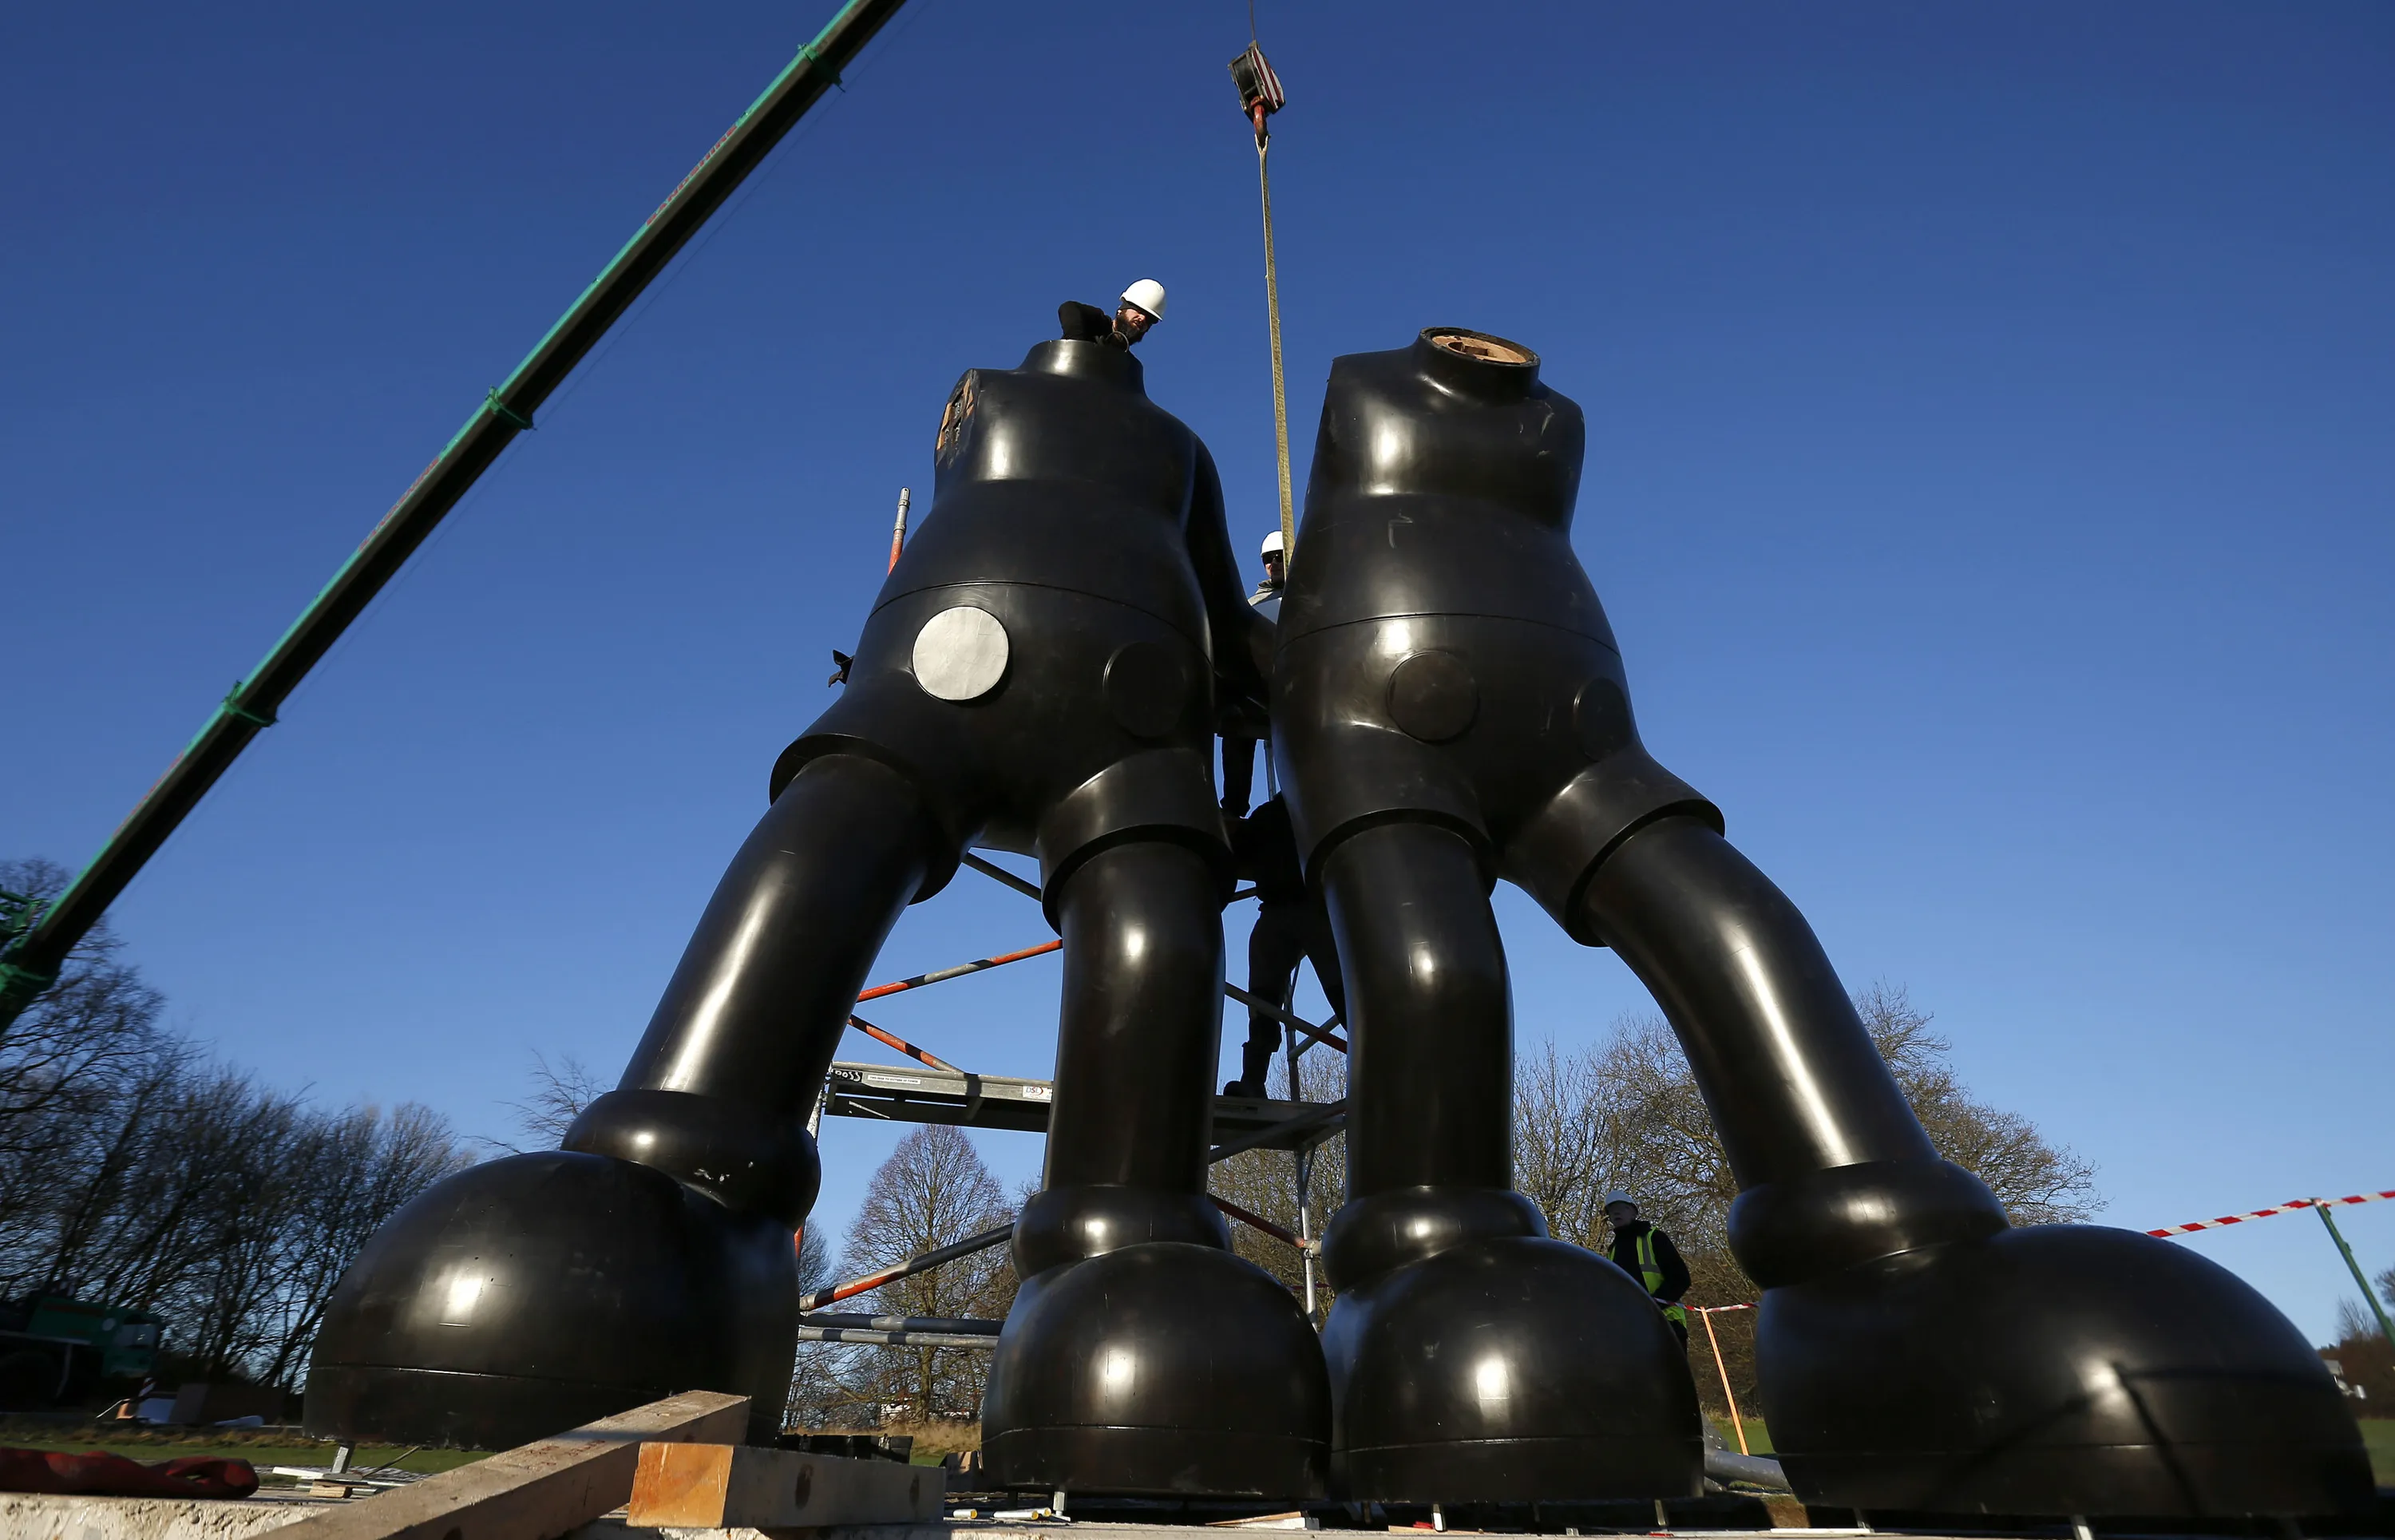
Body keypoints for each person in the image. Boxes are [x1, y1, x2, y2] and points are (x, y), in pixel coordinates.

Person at [1224, 794, 1345, 1099]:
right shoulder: (1309, 807)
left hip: (1301, 907)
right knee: (1340, 990)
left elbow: (1236, 857)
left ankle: (1253, 1079)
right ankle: (1253, 1079)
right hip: (1299, 908)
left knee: (1268, 996)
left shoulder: (1276, 814)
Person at [1218, 529, 1287, 818]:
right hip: (1259, 690)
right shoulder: (1250, 606)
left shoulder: (1309, 596)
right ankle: (1233, 810)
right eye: (1268, 559)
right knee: (1236, 723)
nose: (1274, 563)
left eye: (1279, 556)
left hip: (1298, 688)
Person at [1604, 1190, 1692, 1348]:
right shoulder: (1612, 1251)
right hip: (1631, 1331)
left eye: (1622, 1208)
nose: (1616, 1212)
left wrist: (1652, 1305)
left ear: (1634, 1212)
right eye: (1611, 1210)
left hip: (1667, 1323)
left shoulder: (1654, 1238)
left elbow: (1681, 1278)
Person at [1058, 278, 1167, 350]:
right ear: (1122, 309)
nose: (1142, 318)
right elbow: (1070, 309)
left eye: (1150, 319)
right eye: (1139, 310)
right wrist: (1077, 349)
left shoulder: (1127, 364)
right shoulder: (1098, 322)